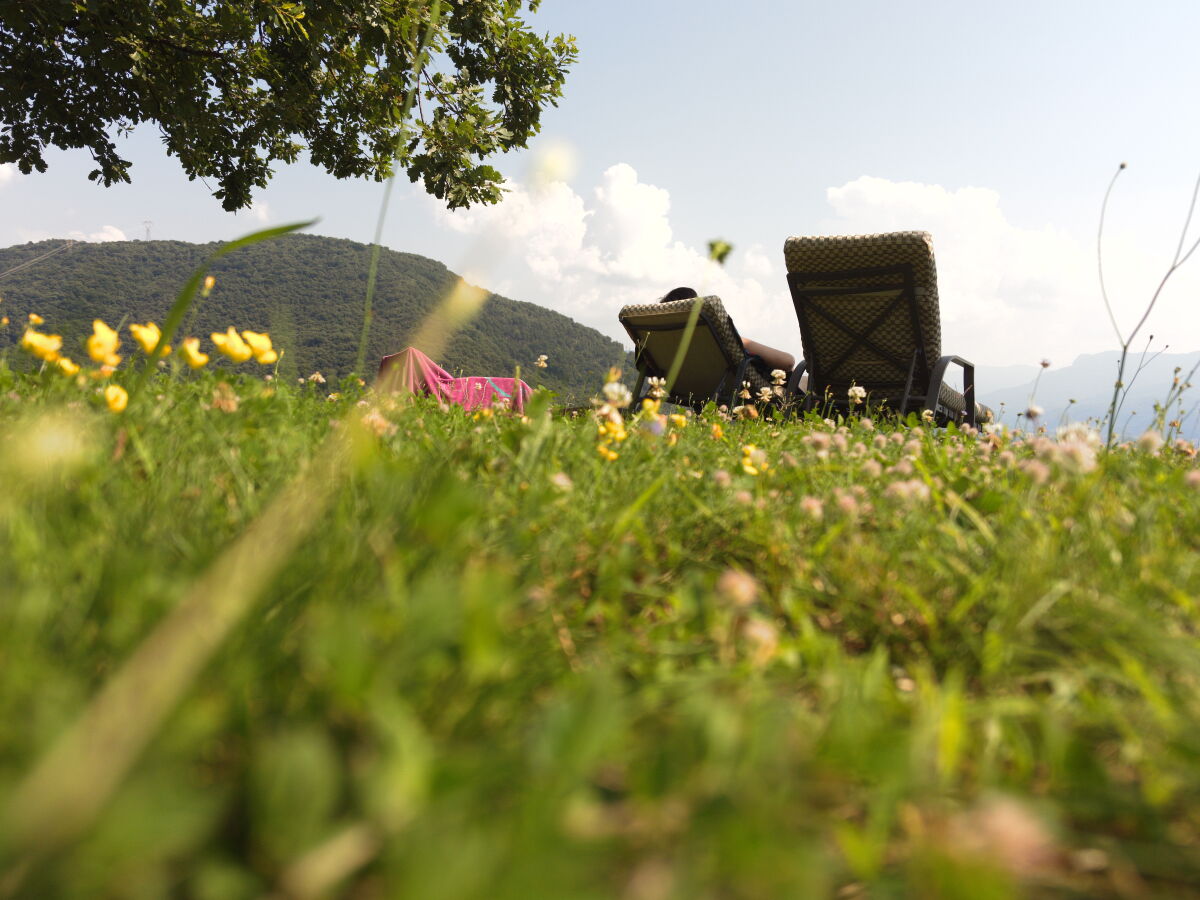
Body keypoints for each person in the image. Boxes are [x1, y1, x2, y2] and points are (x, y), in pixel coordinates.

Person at [660, 286, 795, 374]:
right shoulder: (719, 341)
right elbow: (788, 362)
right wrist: (736, 338)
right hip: (753, 389)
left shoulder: (663, 349)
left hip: (686, 389)